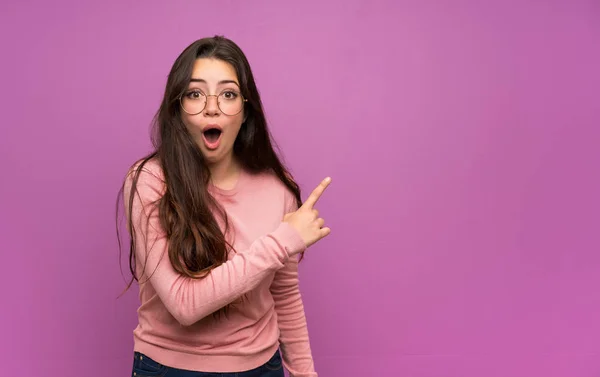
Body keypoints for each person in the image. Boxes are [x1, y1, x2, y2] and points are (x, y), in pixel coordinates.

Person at [117, 35, 331, 377]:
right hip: (168, 369)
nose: (212, 107)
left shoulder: (277, 188)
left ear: (246, 111)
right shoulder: (150, 181)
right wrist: (282, 241)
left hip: (263, 367)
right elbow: (184, 304)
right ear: (177, 108)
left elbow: (285, 295)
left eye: (228, 94)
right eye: (195, 94)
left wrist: (305, 374)